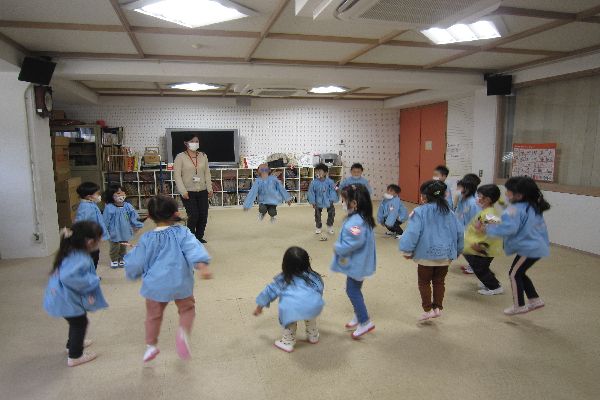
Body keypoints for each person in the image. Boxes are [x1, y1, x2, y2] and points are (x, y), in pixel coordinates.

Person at [124, 195, 212, 362]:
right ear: (176, 213)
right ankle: (183, 333)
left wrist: (132, 273)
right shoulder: (183, 233)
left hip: (155, 285)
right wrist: (202, 265)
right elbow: (193, 249)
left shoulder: (146, 238)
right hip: (180, 282)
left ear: (150, 216)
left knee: (153, 315)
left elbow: (136, 261)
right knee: (187, 309)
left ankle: (151, 346)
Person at [479, 176, 550, 315]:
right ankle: (535, 300)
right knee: (520, 272)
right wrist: (492, 221)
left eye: (508, 191)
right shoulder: (531, 206)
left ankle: (519, 305)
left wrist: (487, 229)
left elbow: (509, 228)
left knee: (514, 274)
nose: (506, 194)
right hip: (536, 246)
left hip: (530, 248)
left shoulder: (514, 209)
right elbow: (511, 223)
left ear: (519, 195)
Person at [43, 221, 109, 367]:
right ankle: (75, 355)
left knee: (75, 322)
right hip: (66, 299)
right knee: (80, 323)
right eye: (99, 238)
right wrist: (92, 279)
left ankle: (72, 344)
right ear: (90, 242)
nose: (101, 241)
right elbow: (68, 277)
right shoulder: (80, 258)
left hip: (60, 296)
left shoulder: (70, 250)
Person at [399, 180, 464, 322]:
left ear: (424, 196)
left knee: (424, 282)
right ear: (444, 195)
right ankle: (437, 308)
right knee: (439, 282)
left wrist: (407, 250)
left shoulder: (419, 212)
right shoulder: (450, 213)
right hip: (445, 255)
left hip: (425, 256)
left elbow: (412, 233)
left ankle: (427, 310)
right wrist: (458, 250)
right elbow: (460, 232)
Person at [254, 246, 324, 353]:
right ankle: (313, 336)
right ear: (307, 262)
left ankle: (287, 343)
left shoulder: (283, 280)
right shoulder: (313, 276)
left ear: (285, 264)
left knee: (290, 322)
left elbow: (268, 292)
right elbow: (320, 288)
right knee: (310, 318)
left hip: (292, 308)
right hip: (312, 306)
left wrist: (259, 307)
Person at [331, 184, 377, 339]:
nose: (342, 203)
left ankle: (365, 321)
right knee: (355, 288)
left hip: (358, 263)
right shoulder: (361, 217)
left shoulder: (356, 222)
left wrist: (338, 247)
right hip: (361, 261)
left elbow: (353, 242)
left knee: (352, 290)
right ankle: (359, 315)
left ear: (354, 203)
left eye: (344, 201)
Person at [463, 184, 504, 295]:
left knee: (480, 268)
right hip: (480, 246)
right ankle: (490, 282)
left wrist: (481, 235)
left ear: (488, 199)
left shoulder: (489, 213)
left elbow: (495, 230)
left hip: (484, 248)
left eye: (480, 196)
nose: (478, 198)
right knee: (481, 266)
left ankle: (494, 287)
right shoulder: (486, 211)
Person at [173, 134, 213, 243]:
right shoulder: (180, 157)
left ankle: (199, 237)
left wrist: (209, 188)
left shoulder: (203, 156)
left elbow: (207, 173)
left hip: (202, 190)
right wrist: (183, 191)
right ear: (186, 143)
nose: (195, 143)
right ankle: (190, 238)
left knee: (203, 215)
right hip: (188, 191)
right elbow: (177, 176)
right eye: (192, 141)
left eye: (197, 141)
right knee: (193, 215)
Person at [102, 184, 144, 268]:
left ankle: (122, 259)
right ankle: (114, 260)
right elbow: (105, 221)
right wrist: (103, 231)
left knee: (123, 247)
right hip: (113, 232)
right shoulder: (109, 207)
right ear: (111, 196)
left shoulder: (128, 206)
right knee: (114, 247)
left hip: (125, 231)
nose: (121, 195)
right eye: (118, 193)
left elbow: (133, 217)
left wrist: (137, 225)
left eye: (122, 192)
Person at [75, 181, 109, 270]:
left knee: (95, 256)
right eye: (97, 194)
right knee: (91, 258)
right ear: (89, 197)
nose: (99, 196)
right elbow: (80, 224)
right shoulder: (85, 208)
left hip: (93, 236)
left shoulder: (90, 204)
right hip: (88, 239)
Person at [455, 174, 481, 274]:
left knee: (469, 250)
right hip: (462, 229)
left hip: (470, 231)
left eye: (460, 188)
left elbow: (478, 219)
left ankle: (475, 267)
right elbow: (458, 213)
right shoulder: (462, 199)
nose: (457, 190)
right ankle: (472, 265)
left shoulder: (473, 202)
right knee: (466, 250)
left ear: (468, 189)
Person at [308, 163, 338, 240]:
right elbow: (311, 192)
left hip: (328, 200)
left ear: (325, 173)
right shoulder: (313, 182)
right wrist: (313, 202)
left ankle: (330, 225)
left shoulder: (330, 182)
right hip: (318, 201)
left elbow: (333, 191)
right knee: (317, 214)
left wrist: (332, 199)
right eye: (316, 171)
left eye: (320, 171)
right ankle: (318, 227)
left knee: (331, 212)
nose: (318, 173)